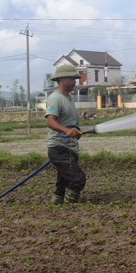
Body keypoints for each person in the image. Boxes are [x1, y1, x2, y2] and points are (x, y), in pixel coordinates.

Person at [45, 64, 86, 204]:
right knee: (77, 179)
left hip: (70, 147)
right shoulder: (55, 98)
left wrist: (74, 132)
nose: (75, 81)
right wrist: (67, 131)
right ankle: (70, 210)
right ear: (62, 79)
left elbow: (69, 123)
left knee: (62, 185)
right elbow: (50, 121)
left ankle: (56, 207)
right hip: (59, 148)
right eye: (72, 78)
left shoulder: (69, 98)